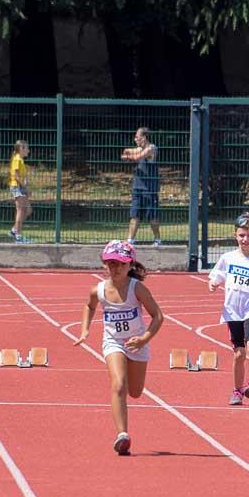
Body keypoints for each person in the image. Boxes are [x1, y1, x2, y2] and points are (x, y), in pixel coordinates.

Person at [74, 240, 163, 455]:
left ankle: (123, 430)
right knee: (118, 384)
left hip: (137, 344)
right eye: (111, 264)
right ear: (104, 264)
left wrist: (144, 339)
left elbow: (158, 316)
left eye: (120, 264)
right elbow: (88, 305)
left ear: (130, 265)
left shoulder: (137, 289)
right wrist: (85, 330)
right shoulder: (99, 290)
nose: (115, 269)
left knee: (135, 391)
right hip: (113, 342)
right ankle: (122, 434)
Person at [208, 212, 249, 406]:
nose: (245, 239)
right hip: (232, 310)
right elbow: (217, 275)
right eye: (242, 235)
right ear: (235, 235)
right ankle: (237, 390)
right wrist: (213, 283)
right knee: (239, 353)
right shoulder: (228, 258)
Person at [122, 127, 161, 246]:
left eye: (137, 137)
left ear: (144, 137)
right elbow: (126, 151)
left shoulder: (151, 148)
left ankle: (157, 239)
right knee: (135, 214)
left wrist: (129, 156)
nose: (135, 139)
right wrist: (129, 153)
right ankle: (130, 240)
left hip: (149, 189)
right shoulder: (140, 149)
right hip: (137, 188)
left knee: (152, 216)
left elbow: (136, 157)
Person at [9, 139, 33, 243]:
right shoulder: (17, 159)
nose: (28, 150)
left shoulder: (20, 160)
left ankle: (14, 230)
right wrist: (26, 188)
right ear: (21, 149)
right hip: (17, 186)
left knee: (28, 210)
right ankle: (18, 237)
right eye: (27, 148)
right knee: (20, 211)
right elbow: (16, 177)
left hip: (21, 187)